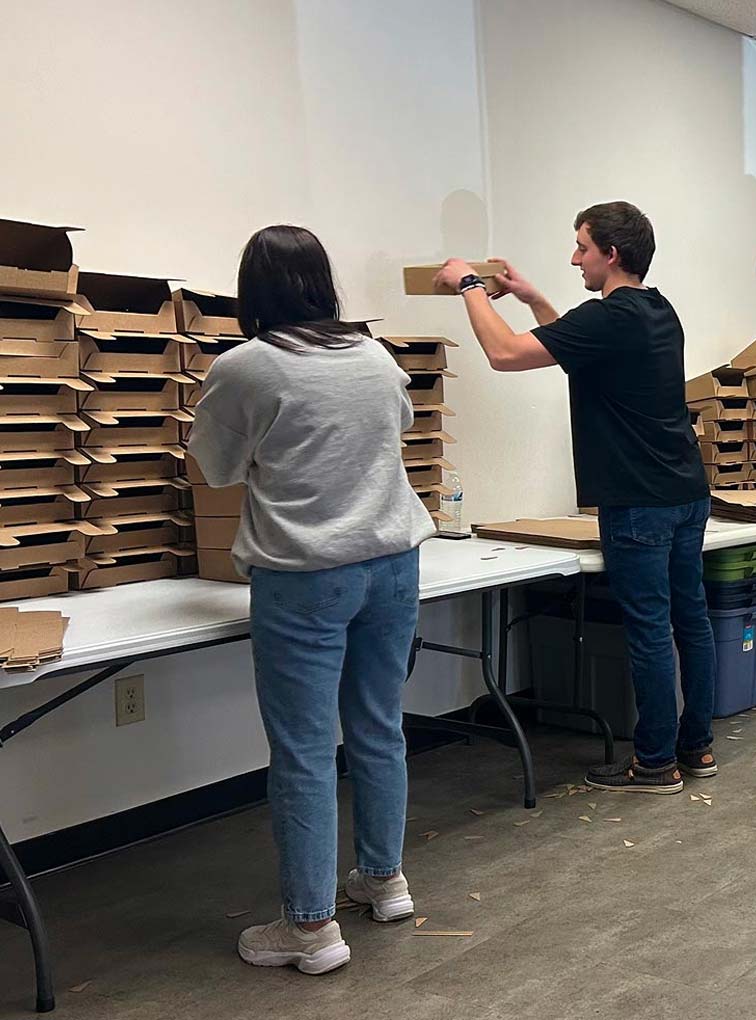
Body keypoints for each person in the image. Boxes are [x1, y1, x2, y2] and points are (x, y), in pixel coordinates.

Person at [190, 225, 436, 974]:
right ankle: (384, 879)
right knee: (378, 727)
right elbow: (401, 427)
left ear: (251, 290)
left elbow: (216, 468)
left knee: (302, 751)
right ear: (324, 283)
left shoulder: (247, 367)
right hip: (393, 561)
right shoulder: (374, 355)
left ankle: (310, 928)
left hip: (305, 575)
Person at [434, 201, 717, 795]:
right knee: (688, 620)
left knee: (648, 628)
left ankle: (656, 763)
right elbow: (578, 351)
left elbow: (505, 354)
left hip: (638, 500)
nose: (573, 257)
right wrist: (535, 299)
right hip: (685, 492)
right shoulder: (657, 311)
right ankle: (696, 749)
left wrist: (467, 284)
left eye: (581, 247)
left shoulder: (609, 318)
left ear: (610, 255)